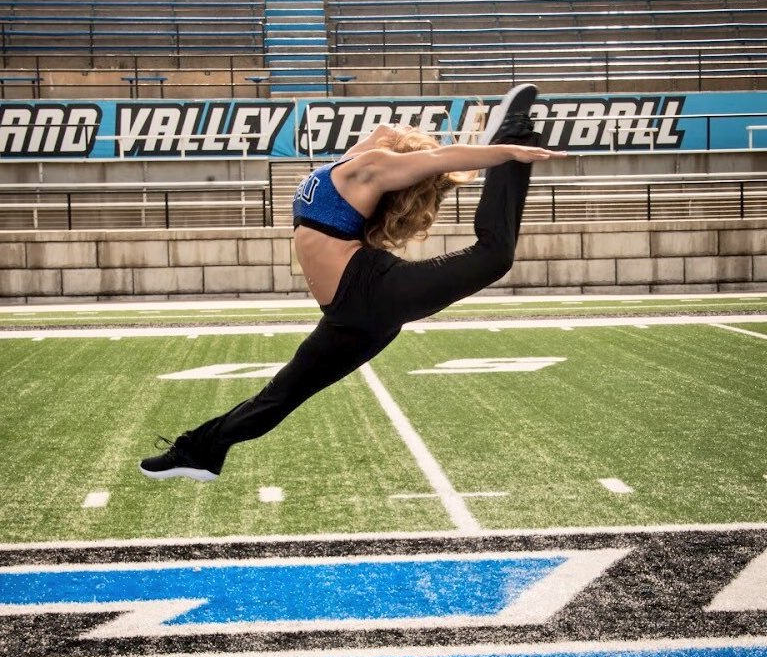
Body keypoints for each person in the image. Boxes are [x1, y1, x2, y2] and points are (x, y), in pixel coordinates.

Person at [140, 83, 567, 481]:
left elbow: (439, 160)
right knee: (279, 396)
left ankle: (516, 135)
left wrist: (500, 149)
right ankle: (199, 451)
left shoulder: (366, 164)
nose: (397, 126)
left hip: (372, 291)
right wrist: (461, 144)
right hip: (348, 316)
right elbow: (404, 141)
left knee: (494, 256)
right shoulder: (352, 163)